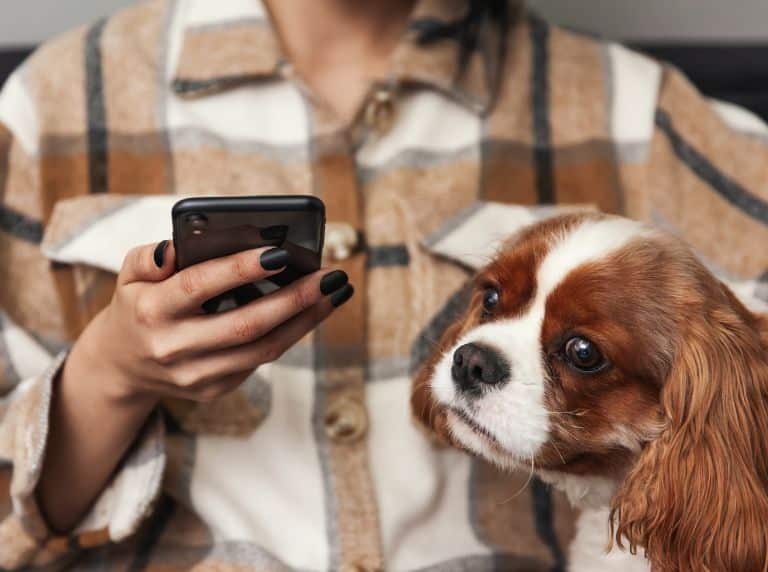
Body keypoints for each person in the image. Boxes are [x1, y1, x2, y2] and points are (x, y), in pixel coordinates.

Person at [1, 0, 767, 570]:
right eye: (492, 303)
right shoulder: (57, 107)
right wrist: (110, 376)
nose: (476, 348)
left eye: (579, 350)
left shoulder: (634, 108)